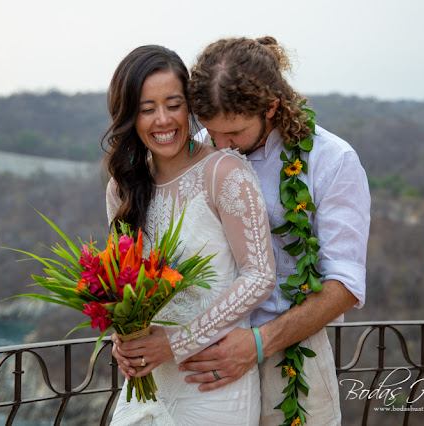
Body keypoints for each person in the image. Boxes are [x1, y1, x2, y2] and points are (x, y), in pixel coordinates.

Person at [114, 37, 371, 425]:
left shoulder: (331, 161)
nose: (221, 144)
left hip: (293, 357)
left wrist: (257, 343)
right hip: (202, 361)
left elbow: (345, 284)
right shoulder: (204, 149)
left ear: (270, 107)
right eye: (212, 133)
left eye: (232, 134)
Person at [103, 45, 276, 425]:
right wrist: (122, 336)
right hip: (147, 381)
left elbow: (260, 275)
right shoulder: (123, 187)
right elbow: (125, 282)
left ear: (191, 107)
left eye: (173, 104)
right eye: (147, 109)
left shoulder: (224, 171)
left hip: (213, 380)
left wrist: (176, 344)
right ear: (130, 116)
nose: (162, 120)